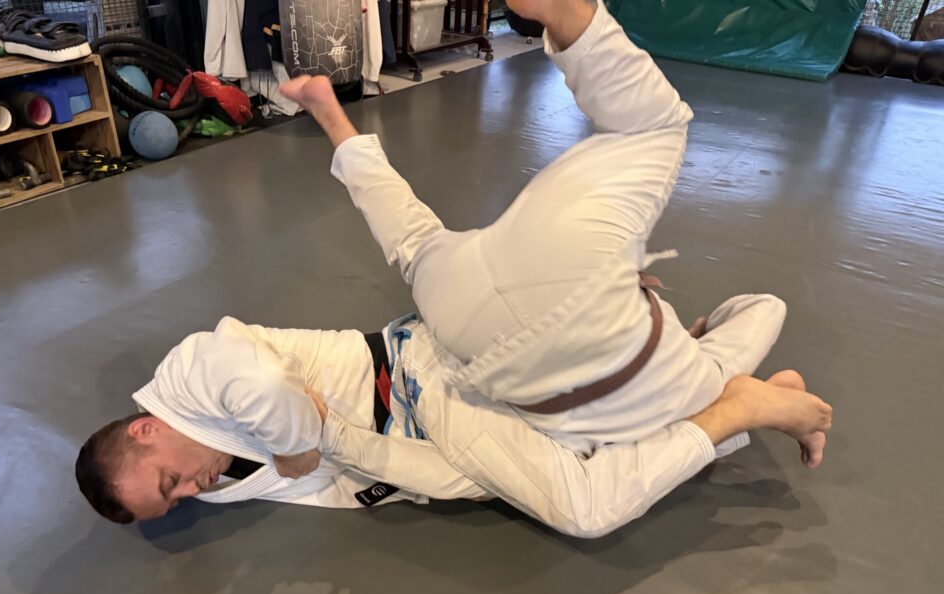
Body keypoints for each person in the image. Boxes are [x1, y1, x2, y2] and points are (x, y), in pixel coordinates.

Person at [277, 0, 795, 459]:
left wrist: (695, 329)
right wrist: (696, 337)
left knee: (654, 127)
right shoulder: (694, 386)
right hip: (470, 327)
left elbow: (759, 309)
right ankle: (332, 117)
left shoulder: (691, 378)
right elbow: (766, 306)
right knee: (414, 240)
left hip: (514, 313)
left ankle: (569, 19)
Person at [75, 311, 831, 538]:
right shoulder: (208, 473)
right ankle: (742, 391)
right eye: (175, 504)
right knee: (607, 436)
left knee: (586, 506)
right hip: (426, 445)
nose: (192, 492)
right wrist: (427, 481)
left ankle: (737, 409)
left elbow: (266, 385)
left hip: (422, 384)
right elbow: (344, 486)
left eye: (169, 483)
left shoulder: (192, 374)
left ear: (144, 430)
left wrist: (304, 447)